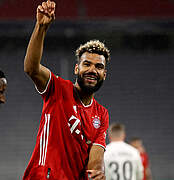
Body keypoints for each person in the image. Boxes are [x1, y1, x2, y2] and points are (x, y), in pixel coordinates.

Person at [22, 1, 110, 179]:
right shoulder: (58, 89)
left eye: (98, 66)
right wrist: (41, 28)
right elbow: (31, 68)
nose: (92, 70)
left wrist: (96, 175)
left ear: (104, 74)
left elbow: (95, 158)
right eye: (87, 64)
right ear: (77, 69)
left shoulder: (101, 115)